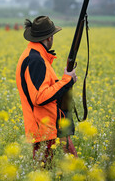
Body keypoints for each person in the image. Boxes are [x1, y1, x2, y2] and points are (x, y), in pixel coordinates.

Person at [15, 16, 78, 168]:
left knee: (71, 169)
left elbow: (44, 88)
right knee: (52, 173)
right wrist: (66, 80)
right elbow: (40, 97)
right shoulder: (35, 60)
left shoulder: (35, 56)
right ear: (49, 38)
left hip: (52, 126)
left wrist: (64, 82)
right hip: (45, 130)